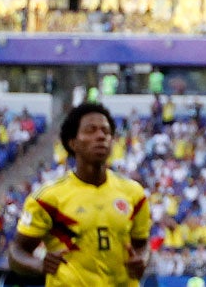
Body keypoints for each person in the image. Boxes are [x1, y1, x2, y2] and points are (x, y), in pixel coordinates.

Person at [8, 102, 151, 286]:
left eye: (106, 132)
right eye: (91, 130)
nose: (101, 136)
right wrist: (38, 264)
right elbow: (17, 252)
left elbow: (142, 244)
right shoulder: (48, 198)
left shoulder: (134, 193)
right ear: (73, 142)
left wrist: (142, 259)